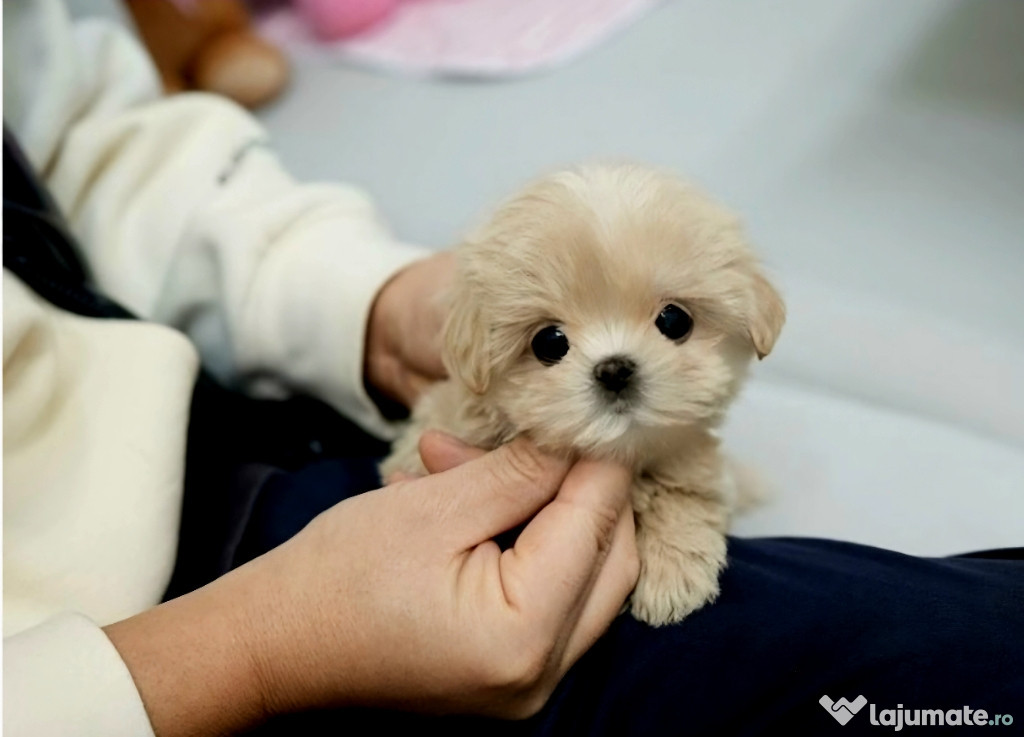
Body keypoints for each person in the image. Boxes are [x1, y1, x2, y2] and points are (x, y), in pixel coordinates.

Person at [4, 2, 1022, 736]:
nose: (616, 362)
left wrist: (357, 299)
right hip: (148, 637)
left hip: (193, 411)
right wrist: (239, 657)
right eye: (549, 341)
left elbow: (78, 146)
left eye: (671, 319)